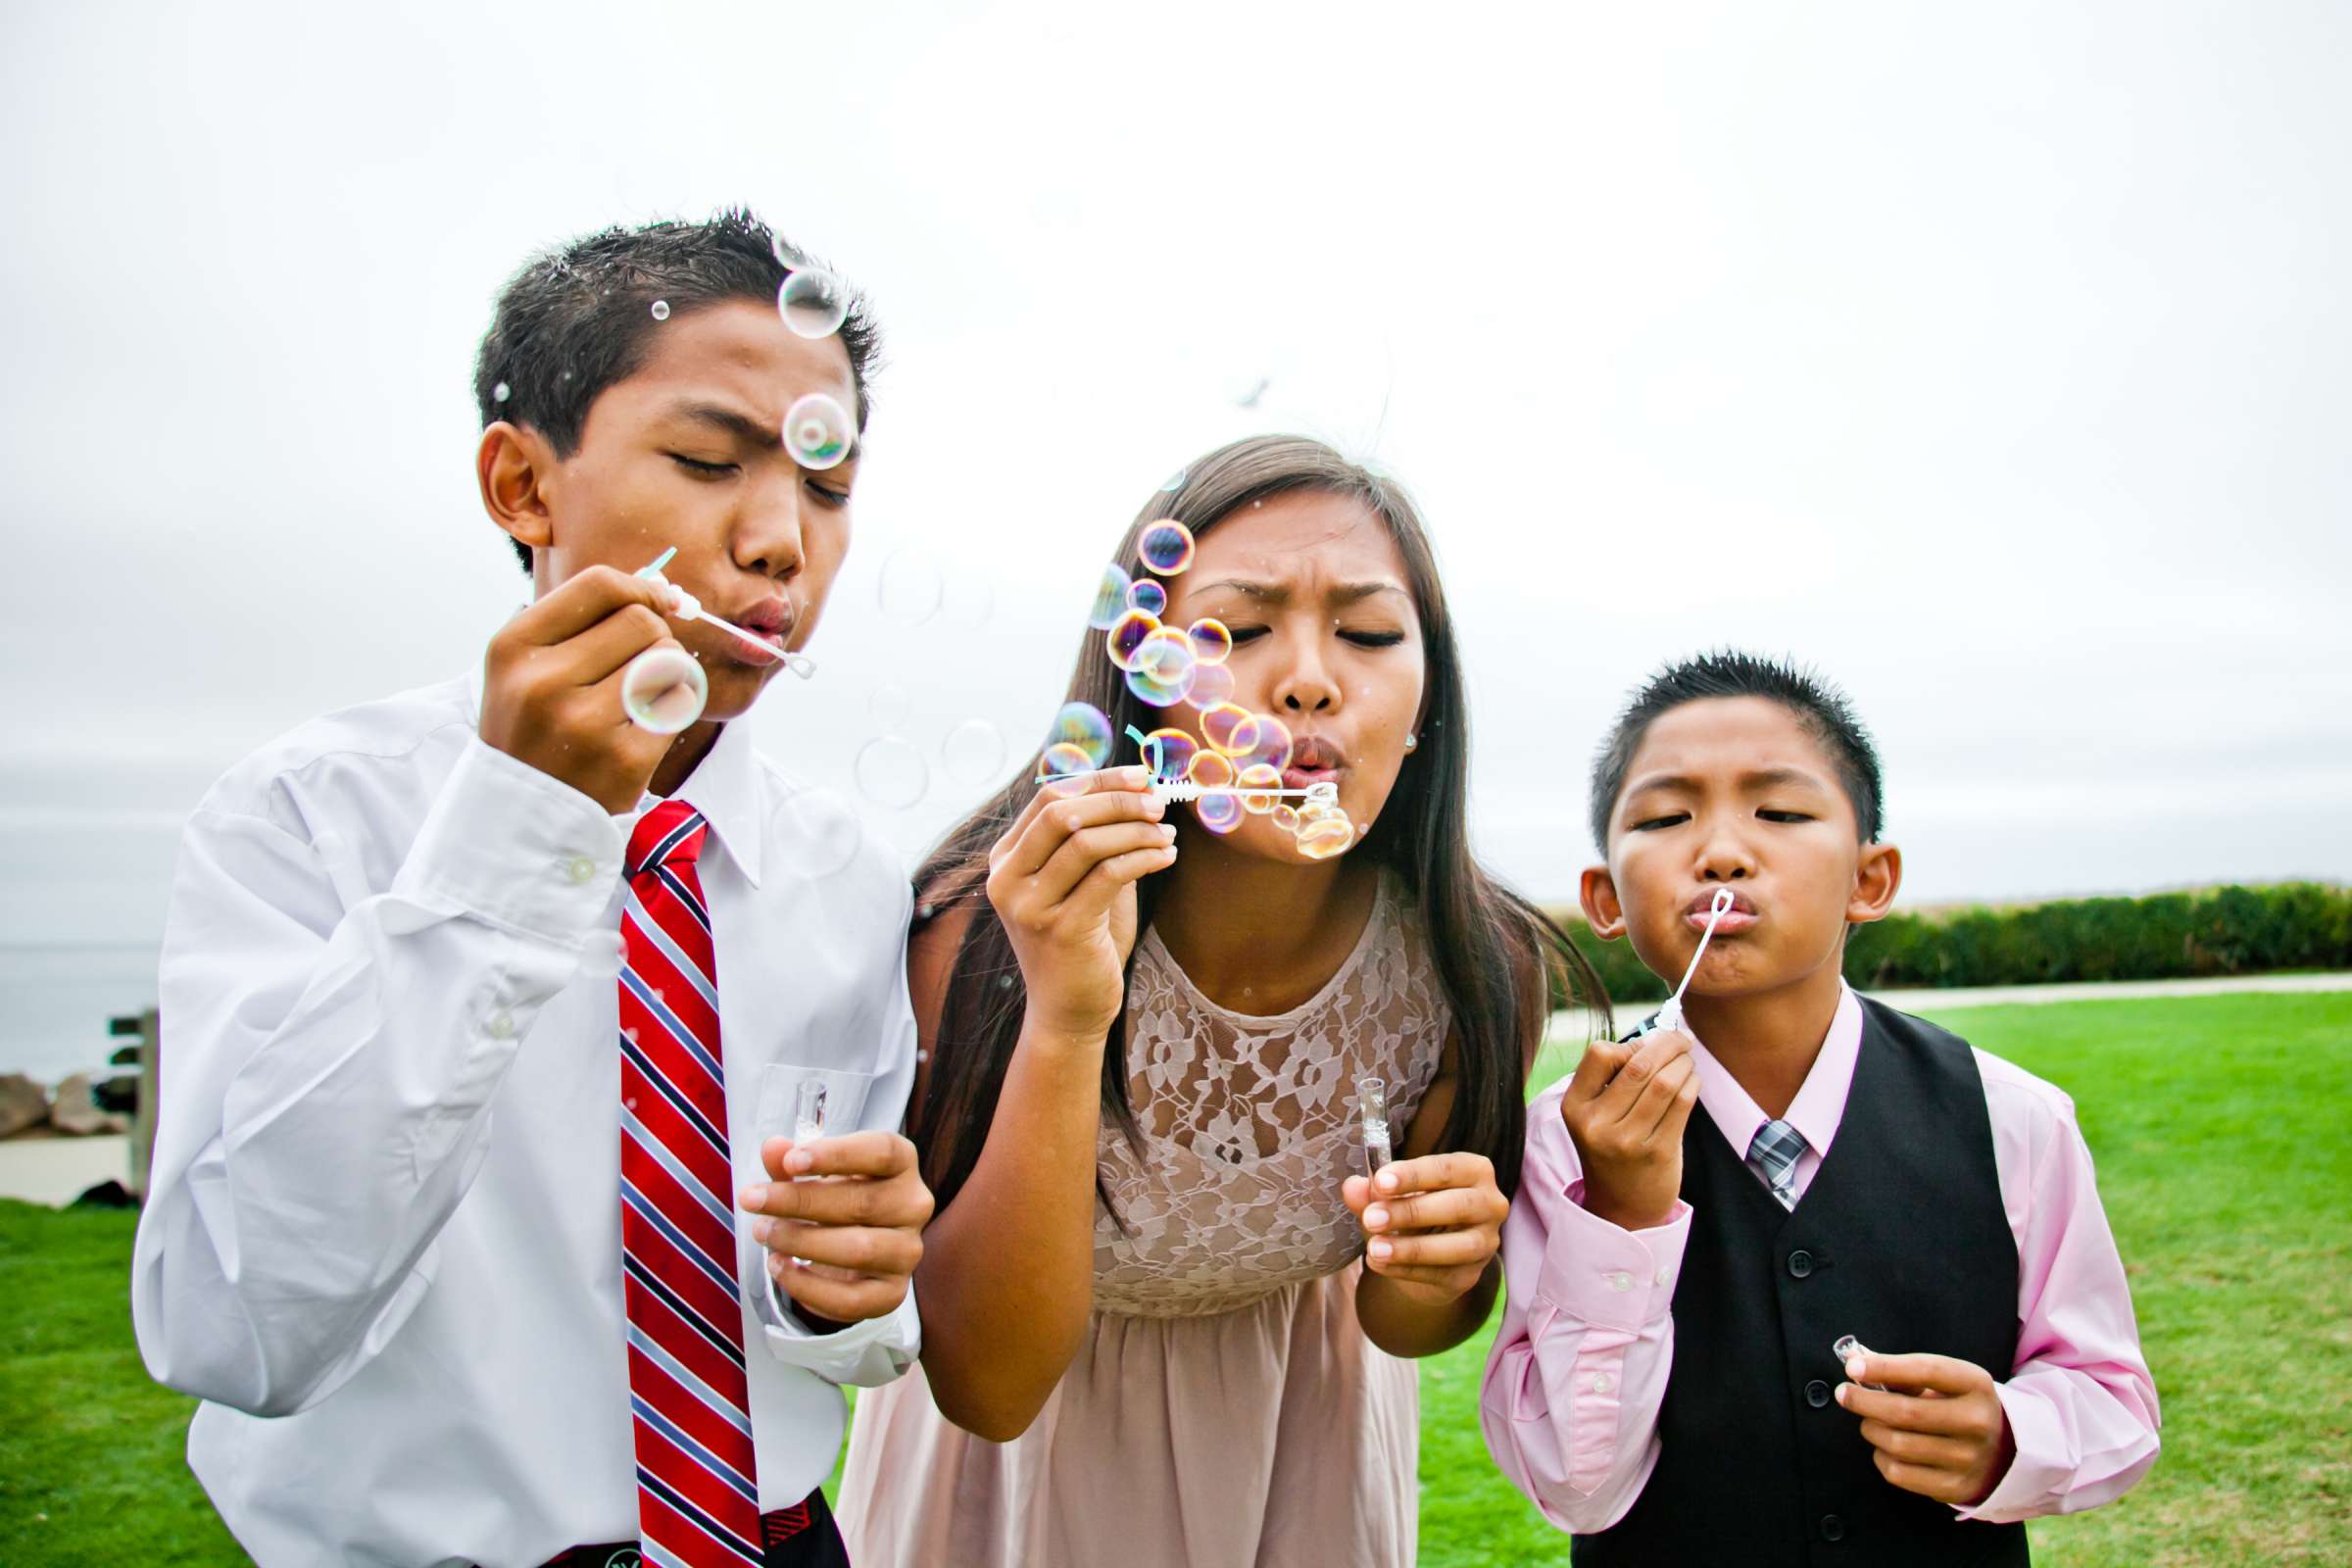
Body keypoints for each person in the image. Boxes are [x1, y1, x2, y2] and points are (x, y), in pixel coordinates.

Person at [130, 211, 934, 1568]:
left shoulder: (846, 873)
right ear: (521, 485)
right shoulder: (308, 820)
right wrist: (517, 834)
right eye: (704, 459)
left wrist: (847, 1296)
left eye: (828, 484)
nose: (782, 541)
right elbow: (237, 1327)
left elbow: (859, 1335)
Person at [835, 434, 1605, 1568]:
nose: (1304, 677)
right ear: (1138, 683)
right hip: (1020, 1467)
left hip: (1305, 1453)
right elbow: (988, 1387)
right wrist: (1066, 1014)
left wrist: (1436, 1268)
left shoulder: (1477, 964)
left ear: (1427, 693)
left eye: (1369, 632)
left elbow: (1409, 1321)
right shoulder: (983, 935)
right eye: (1236, 632)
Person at [1482, 652, 2161, 1563]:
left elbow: (2112, 1398)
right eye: (1666, 816)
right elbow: (1576, 1481)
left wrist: (2010, 1434)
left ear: (1869, 881)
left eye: (1782, 813)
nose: (1721, 851)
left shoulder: (2015, 1120)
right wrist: (1624, 1216)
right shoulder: (1561, 1142)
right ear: (1604, 897)